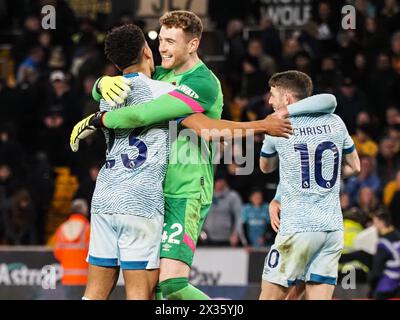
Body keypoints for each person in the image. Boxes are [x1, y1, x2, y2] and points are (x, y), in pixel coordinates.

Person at [70, 11, 337, 300]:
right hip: (152, 192)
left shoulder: (203, 82)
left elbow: (206, 130)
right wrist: (101, 84)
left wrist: (98, 117)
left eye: (171, 41)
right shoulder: (159, 75)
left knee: (170, 286)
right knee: (155, 291)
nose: (162, 48)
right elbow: (131, 78)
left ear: (193, 44)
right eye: (161, 40)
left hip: (186, 189)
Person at [79, 24, 176, 300]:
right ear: (147, 50)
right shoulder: (164, 92)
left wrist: (99, 84)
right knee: (138, 293)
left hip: (105, 197)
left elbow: (98, 96)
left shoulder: (106, 98)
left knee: (95, 292)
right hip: (141, 201)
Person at [259, 70, 361, 300]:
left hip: (298, 227)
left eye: (272, 94)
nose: (269, 100)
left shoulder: (279, 126)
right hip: (332, 229)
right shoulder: (336, 122)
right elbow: (355, 167)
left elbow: (265, 167)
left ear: (287, 99)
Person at [53, 199, 90, 286]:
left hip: (66, 280)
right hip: (86, 282)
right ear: (85, 212)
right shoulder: (88, 229)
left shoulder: (61, 229)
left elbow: (57, 254)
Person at [368, 210, 400, 299]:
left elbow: (377, 270)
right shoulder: (397, 235)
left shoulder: (383, 243)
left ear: (381, 223)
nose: (374, 227)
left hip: (388, 286)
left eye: (375, 223)